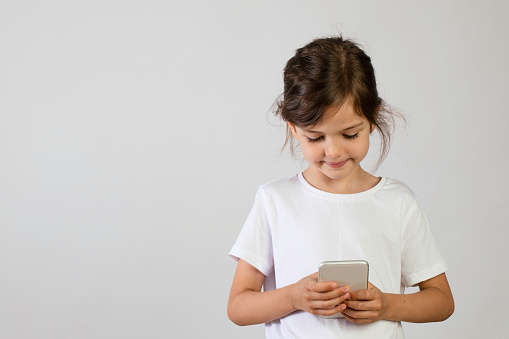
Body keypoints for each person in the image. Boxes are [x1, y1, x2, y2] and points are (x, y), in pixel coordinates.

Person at [227, 36, 454, 339]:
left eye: (349, 134)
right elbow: (238, 307)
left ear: (373, 118)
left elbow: (441, 302)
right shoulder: (274, 200)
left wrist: (386, 305)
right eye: (316, 137)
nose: (333, 152)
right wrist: (294, 296)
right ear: (293, 128)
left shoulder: (398, 202)